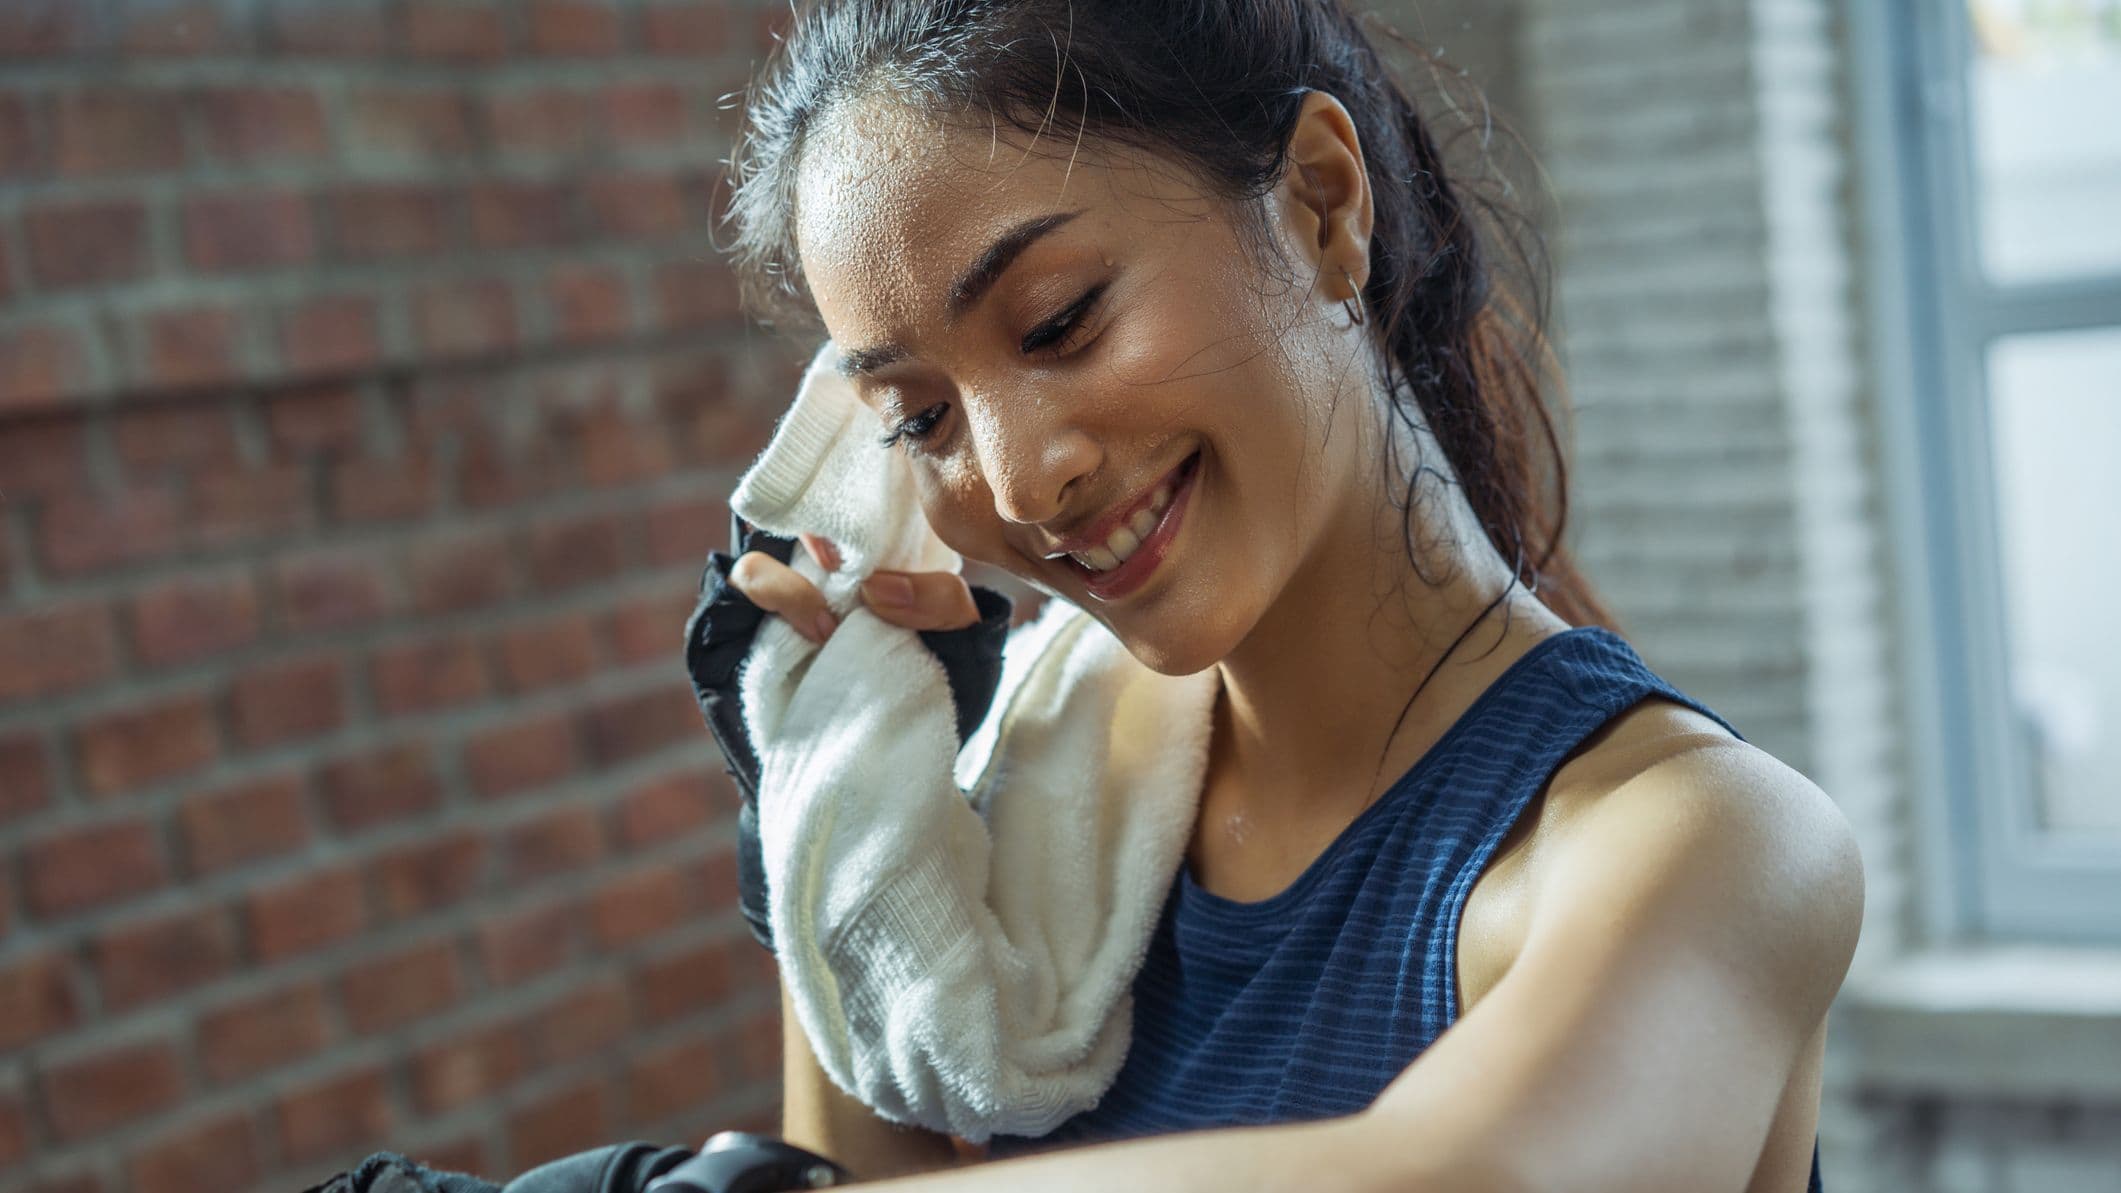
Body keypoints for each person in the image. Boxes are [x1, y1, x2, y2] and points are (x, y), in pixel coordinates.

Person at [710, 2, 1865, 1190]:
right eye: (921, 417)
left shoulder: (1699, 841)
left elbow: (1485, 1172)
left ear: (1320, 203)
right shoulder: (1046, 810)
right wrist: (833, 803)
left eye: (1060, 321)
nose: (1018, 479)